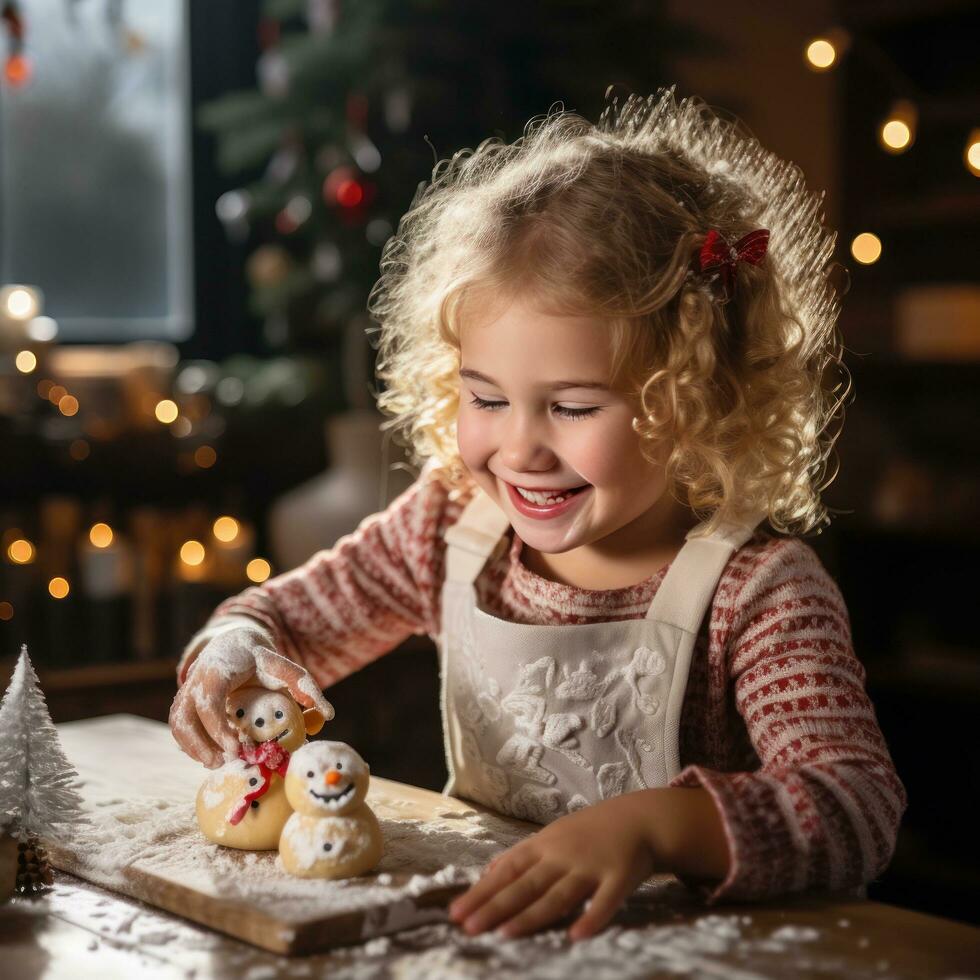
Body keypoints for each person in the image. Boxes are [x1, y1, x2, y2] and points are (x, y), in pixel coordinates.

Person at [170, 86, 907, 941]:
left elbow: (855, 807)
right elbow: (277, 620)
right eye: (486, 398)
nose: (518, 449)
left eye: (573, 407)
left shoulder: (759, 592)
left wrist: (656, 826)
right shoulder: (448, 528)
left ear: (693, 401)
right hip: (491, 945)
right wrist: (233, 651)